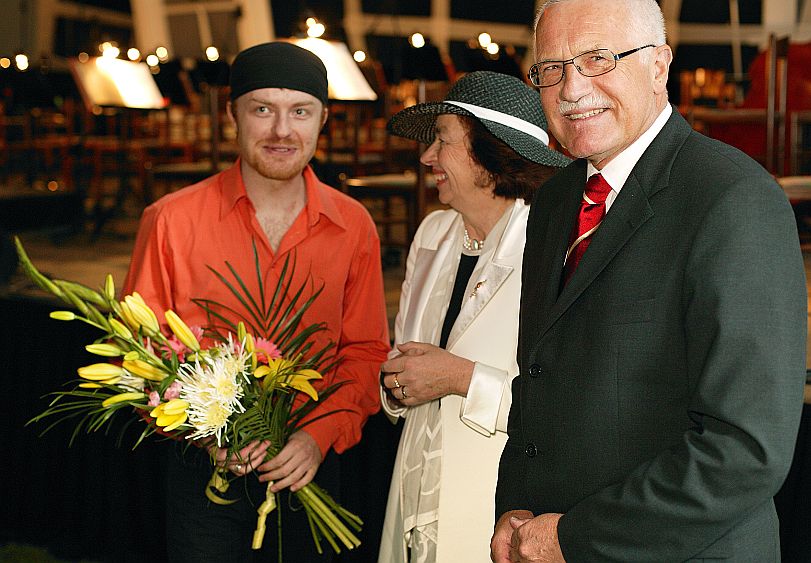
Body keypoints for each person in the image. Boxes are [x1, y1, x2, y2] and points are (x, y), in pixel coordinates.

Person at [492, 1, 808, 562]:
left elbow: (744, 449)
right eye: (552, 68)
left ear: (660, 65)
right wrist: (516, 507)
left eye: (598, 59)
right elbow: (538, 379)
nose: (571, 89)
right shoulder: (557, 201)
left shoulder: (733, 200)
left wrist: (572, 538)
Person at [122, 42, 390, 562]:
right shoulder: (170, 221)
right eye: (262, 109)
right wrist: (204, 433)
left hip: (312, 463)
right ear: (232, 116)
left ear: (323, 120)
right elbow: (139, 356)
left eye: (300, 112)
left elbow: (364, 351)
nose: (282, 130)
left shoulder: (353, 226)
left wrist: (317, 435)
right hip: (205, 474)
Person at [378, 71, 570, 563]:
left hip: (496, 510)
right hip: (414, 498)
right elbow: (403, 361)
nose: (426, 158)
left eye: (441, 140)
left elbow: (564, 411)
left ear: (492, 153)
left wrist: (461, 379)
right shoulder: (433, 233)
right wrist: (397, 386)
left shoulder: (553, 248)